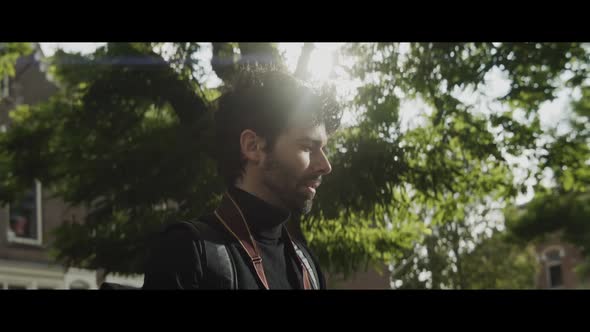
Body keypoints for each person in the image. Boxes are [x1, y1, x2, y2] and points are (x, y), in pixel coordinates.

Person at [142, 66, 341, 289]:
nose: (326, 165)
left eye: (324, 149)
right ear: (253, 146)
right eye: (307, 147)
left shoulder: (308, 266)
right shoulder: (186, 251)